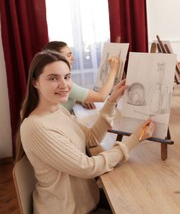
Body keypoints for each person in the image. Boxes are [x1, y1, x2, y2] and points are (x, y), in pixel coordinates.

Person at [14, 50, 155, 213]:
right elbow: (87, 168)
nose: (64, 85)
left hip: (86, 200)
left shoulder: (58, 110)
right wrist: (133, 140)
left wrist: (112, 100)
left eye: (67, 77)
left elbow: (91, 138)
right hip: (69, 210)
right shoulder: (36, 126)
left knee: (134, 197)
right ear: (35, 82)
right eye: (53, 78)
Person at [43, 41, 120, 111]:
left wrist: (80, 99)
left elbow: (65, 97)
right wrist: (113, 69)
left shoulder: (54, 79)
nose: (73, 58)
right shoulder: (62, 83)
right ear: (57, 58)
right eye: (69, 55)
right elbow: (101, 97)